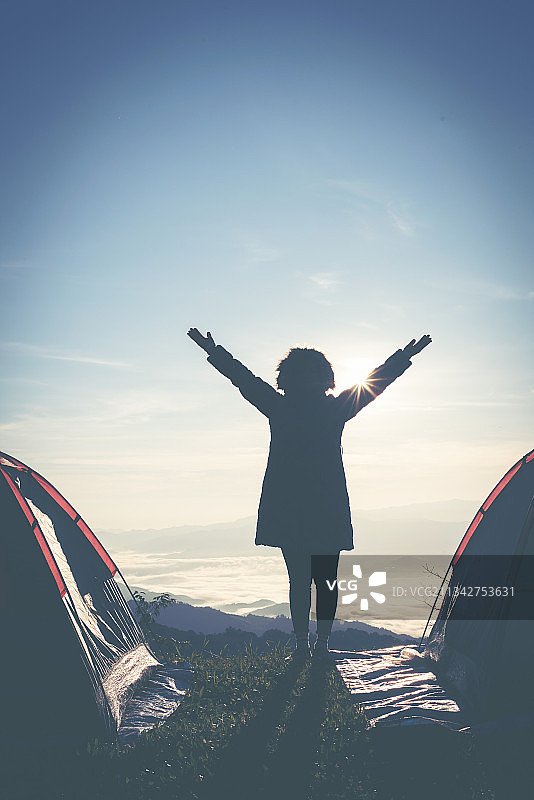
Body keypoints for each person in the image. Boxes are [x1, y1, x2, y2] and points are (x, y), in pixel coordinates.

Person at [188, 328, 431, 663]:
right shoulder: (334, 409)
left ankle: (304, 645)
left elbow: (242, 378)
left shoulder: (278, 406)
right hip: (327, 504)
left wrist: (214, 351)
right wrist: (404, 357)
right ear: (326, 378)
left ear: (285, 379)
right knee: (325, 579)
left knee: (299, 579)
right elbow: (378, 381)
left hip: (288, 504)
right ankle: (320, 645)